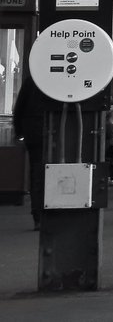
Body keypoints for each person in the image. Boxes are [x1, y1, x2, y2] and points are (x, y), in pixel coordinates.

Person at [13, 76, 53, 230]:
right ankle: (53, 211)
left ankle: (38, 216)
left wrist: (19, 132)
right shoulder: (58, 78)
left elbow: (20, 106)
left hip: (34, 131)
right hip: (53, 129)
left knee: (37, 173)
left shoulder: (33, 78)